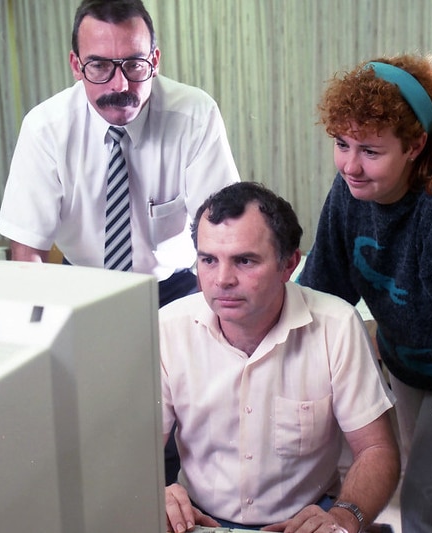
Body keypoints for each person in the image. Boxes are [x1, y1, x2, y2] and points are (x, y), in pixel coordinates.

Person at [297, 54, 432, 533]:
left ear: (416, 145)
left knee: (429, 503)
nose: (351, 166)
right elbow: (321, 288)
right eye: (341, 144)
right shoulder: (349, 192)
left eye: (370, 151)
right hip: (405, 369)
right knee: (415, 485)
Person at [160, 182, 400, 533]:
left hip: (308, 523)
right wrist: (157, 493)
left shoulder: (336, 325)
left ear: (289, 265)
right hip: (199, 522)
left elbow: (377, 450)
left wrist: (344, 518)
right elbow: (132, 451)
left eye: (245, 261)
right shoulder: (169, 327)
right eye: (208, 260)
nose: (222, 280)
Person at [0, 0, 239, 308]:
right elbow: (28, 252)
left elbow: (223, 230)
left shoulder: (195, 115)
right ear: (76, 66)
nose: (120, 84)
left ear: (155, 60)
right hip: (80, 287)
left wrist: (217, 319)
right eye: (99, 66)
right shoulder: (45, 129)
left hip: (173, 287)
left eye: (135, 65)